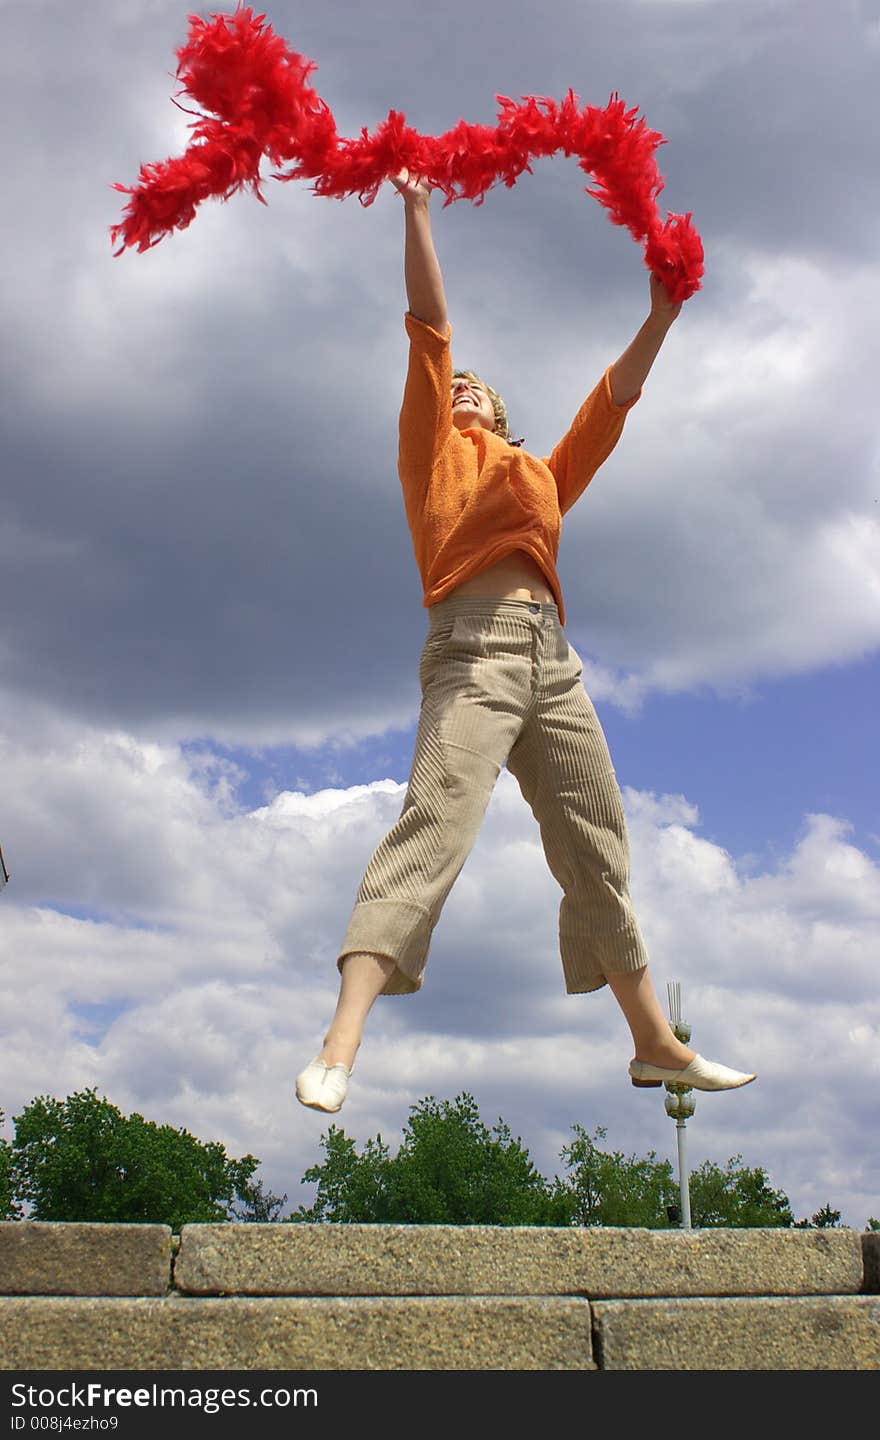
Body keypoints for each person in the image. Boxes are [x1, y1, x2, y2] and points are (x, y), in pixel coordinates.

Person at [296, 169, 755, 1113]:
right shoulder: (434, 455)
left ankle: (656, 1045)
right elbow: (429, 328)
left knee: (598, 847)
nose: (463, 390)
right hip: (470, 648)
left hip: (555, 662)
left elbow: (611, 404)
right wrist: (418, 208)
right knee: (437, 824)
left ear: (501, 416)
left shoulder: (540, 476)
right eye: (456, 388)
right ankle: (340, 1045)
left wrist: (662, 316)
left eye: (478, 391)